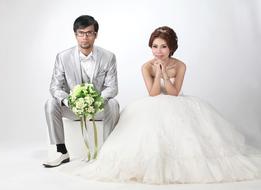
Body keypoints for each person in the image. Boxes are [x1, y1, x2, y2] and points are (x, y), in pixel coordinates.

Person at [71, 26, 261, 184]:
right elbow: (153, 94)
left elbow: (175, 93)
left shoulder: (180, 65)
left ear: (171, 48)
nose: (158, 51)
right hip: (153, 103)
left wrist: (163, 72)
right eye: (154, 46)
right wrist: (158, 73)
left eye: (163, 46)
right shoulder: (146, 66)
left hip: (177, 102)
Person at [43, 15, 120, 168]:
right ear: (75, 35)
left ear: (95, 35)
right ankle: (61, 151)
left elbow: (112, 87)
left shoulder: (108, 57)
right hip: (74, 109)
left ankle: (106, 151)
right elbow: (55, 87)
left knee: (113, 103)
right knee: (50, 103)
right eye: (81, 33)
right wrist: (70, 101)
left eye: (89, 33)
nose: (85, 37)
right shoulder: (63, 57)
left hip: (96, 109)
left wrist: (96, 101)